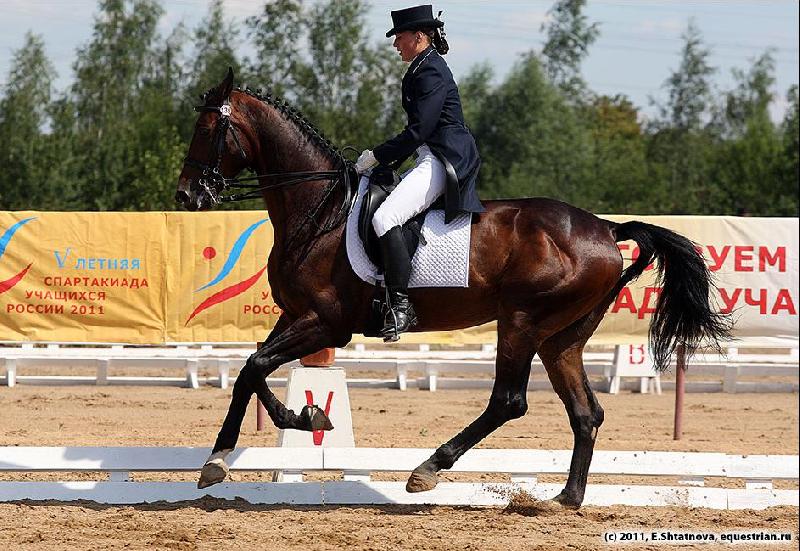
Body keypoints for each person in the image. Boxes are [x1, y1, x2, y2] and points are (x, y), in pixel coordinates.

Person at [355, 4, 485, 342]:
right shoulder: (421, 67)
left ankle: (400, 305)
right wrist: (386, 164)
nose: (395, 43)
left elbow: (419, 130)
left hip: (444, 158)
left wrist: (378, 156)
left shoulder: (431, 72)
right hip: (430, 153)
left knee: (385, 218)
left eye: (399, 37)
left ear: (418, 36)